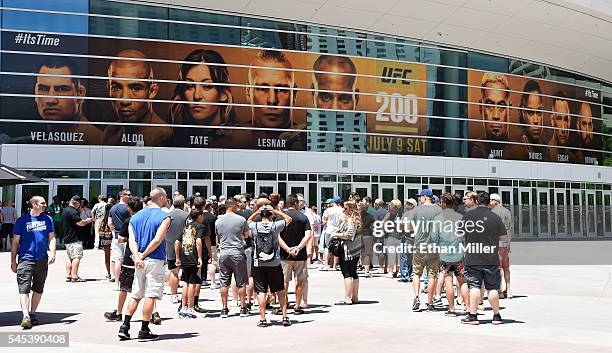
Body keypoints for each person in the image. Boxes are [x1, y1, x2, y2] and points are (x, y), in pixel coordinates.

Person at [119, 188, 172, 341]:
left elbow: (132, 240)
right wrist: (143, 255)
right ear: (161, 198)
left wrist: (137, 257)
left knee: (136, 293)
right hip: (154, 259)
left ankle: (125, 326)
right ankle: (144, 329)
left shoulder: (136, 217)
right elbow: (157, 239)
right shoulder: (165, 216)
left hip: (139, 261)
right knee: (151, 294)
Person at [169, 49, 240, 148]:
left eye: (207, 86)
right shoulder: (168, 141)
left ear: (223, 93)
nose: (197, 96)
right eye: (190, 86)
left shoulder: (241, 141)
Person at [102, 50, 172, 146]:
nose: (124, 100)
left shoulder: (165, 137)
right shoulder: (110, 132)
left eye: (135, 88)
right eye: (116, 87)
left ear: (152, 91)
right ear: (108, 88)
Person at [11, 196, 56, 329]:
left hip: (42, 259)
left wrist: (53, 252)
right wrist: (13, 261)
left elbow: (52, 238)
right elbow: (15, 242)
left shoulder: (48, 219)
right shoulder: (22, 220)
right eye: (42, 203)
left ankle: (33, 313)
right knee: (23, 288)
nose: (45, 205)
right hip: (25, 259)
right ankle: (25, 316)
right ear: (34, 204)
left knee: (38, 288)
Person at [460, 192, 506, 325]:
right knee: (492, 288)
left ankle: (473, 316)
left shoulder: (468, 216)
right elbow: (503, 237)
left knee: (474, 286)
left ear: (477, 201)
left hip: (473, 256)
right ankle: (496, 316)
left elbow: (460, 234)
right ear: (488, 202)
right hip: (491, 257)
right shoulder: (495, 217)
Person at [33, 57, 101, 144]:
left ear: (80, 93)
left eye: (62, 89)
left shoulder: (97, 142)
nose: (51, 100)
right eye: (43, 89)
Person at [245, 50, 303, 150]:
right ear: (248, 93)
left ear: (294, 94)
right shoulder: (229, 141)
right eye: (262, 88)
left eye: (281, 89)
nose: (272, 100)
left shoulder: (309, 141)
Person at [247, 204, 293, 327]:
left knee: (261, 291)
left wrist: (257, 212)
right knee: (280, 290)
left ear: (261, 215)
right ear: (271, 215)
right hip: (274, 263)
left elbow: (248, 221)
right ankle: (284, 316)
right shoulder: (275, 226)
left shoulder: (255, 226)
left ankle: (263, 319)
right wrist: (277, 211)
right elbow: (289, 219)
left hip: (259, 263)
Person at [104, 197, 144, 322]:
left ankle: (119, 312)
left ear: (129, 209)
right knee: (148, 288)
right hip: (145, 256)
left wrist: (128, 240)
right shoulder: (146, 220)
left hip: (130, 257)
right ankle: (153, 313)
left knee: (125, 287)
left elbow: (121, 239)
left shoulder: (129, 221)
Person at [404, 189, 442, 311]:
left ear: (425, 197)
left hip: (419, 244)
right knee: (432, 275)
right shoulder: (438, 209)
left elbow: (408, 225)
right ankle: (430, 302)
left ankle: (416, 297)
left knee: (416, 273)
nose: (419, 198)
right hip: (434, 246)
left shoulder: (417, 210)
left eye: (420, 196)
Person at [430, 193, 467, 316]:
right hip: (459, 253)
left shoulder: (438, 218)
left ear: (444, 203)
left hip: (445, 254)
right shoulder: (460, 217)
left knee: (448, 281)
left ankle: (452, 309)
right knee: (462, 281)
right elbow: (464, 234)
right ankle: (468, 308)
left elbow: (434, 237)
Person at [215, 198, 251, 318]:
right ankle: (242, 308)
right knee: (241, 282)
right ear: (233, 206)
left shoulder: (218, 220)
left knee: (224, 282)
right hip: (237, 252)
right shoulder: (241, 220)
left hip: (224, 252)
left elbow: (218, 236)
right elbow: (246, 235)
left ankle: (224, 309)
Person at [279, 194, 312, 314]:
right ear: (296, 203)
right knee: (300, 280)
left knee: (284, 282)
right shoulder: (303, 217)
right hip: (300, 255)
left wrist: (288, 249)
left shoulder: (281, 218)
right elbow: (308, 235)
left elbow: (277, 237)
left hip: (284, 255)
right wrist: (298, 247)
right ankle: (297, 306)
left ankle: (283, 305)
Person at [176, 209, 210, 319]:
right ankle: (190, 308)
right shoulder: (200, 226)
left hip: (184, 256)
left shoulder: (186, 226)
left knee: (185, 282)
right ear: (199, 216)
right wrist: (199, 257)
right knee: (192, 282)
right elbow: (199, 241)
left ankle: (184, 308)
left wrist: (177, 257)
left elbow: (177, 242)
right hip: (193, 257)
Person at [470, 72, 511, 159]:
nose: (496, 115)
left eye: (501, 106)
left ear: (509, 109)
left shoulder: (520, 151)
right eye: (489, 105)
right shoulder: (473, 151)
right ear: (481, 108)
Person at [508, 80, 549, 161]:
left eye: (539, 112)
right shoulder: (515, 148)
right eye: (531, 113)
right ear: (523, 113)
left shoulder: (546, 150)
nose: (536, 120)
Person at [332, 200, 362, 305]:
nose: (343, 209)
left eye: (345, 208)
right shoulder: (357, 219)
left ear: (350, 209)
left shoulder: (350, 220)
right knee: (354, 273)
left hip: (348, 250)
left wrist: (336, 235)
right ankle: (355, 297)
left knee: (347, 274)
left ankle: (348, 298)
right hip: (356, 250)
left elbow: (349, 235)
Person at [62, 196, 93, 282]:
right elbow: (80, 223)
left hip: (67, 237)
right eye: (80, 204)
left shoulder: (65, 210)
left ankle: (68, 275)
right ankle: (75, 276)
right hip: (74, 237)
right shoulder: (73, 211)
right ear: (77, 203)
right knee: (77, 257)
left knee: (69, 257)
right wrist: (87, 221)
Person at [165, 195, 189, 304]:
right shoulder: (187, 216)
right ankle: (187, 295)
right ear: (183, 204)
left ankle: (174, 295)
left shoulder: (167, 215)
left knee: (174, 272)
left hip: (170, 245)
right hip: (186, 246)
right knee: (187, 272)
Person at [489, 193, 513, 299]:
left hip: (497, 243)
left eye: (491, 200)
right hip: (506, 244)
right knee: (506, 267)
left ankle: (499, 291)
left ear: (496, 201)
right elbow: (510, 228)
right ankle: (509, 290)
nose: (489, 202)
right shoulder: (507, 211)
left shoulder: (492, 212)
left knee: (498, 268)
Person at [109, 189, 131, 289]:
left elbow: (110, 223)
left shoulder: (113, 208)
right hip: (127, 236)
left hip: (117, 236)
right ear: (122, 195)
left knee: (118, 259)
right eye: (128, 195)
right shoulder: (128, 208)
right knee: (128, 259)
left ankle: (117, 283)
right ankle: (127, 281)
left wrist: (115, 230)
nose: (130, 196)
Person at [547, 91, 572, 163]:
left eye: (566, 119)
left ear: (570, 122)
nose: (563, 128)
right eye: (559, 118)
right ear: (552, 120)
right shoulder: (546, 154)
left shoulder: (572, 158)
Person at [321, 196, 343, 271]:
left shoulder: (328, 210)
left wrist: (325, 225)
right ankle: (334, 266)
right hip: (337, 231)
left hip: (329, 230)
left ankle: (326, 264)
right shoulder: (342, 210)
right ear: (340, 202)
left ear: (333, 202)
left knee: (327, 247)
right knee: (336, 247)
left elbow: (324, 221)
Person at [398, 198, 417, 282]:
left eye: (408, 204)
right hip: (415, 238)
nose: (405, 205)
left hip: (406, 237)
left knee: (404, 256)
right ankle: (409, 273)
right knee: (410, 257)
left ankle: (405, 275)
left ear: (412, 206)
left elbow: (401, 225)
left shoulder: (407, 214)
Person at [358, 197, 375, 277]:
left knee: (358, 253)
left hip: (358, 235)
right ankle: (366, 270)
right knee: (367, 253)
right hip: (368, 235)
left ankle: (358, 267)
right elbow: (373, 226)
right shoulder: (370, 216)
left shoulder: (357, 216)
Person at [98, 203, 114, 280]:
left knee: (107, 257)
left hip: (105, 238)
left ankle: (109, 273)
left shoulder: (103, 218)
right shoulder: (113, 217)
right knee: (115, 257)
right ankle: (115, 273)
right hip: (113, 237)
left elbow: (99, 228)